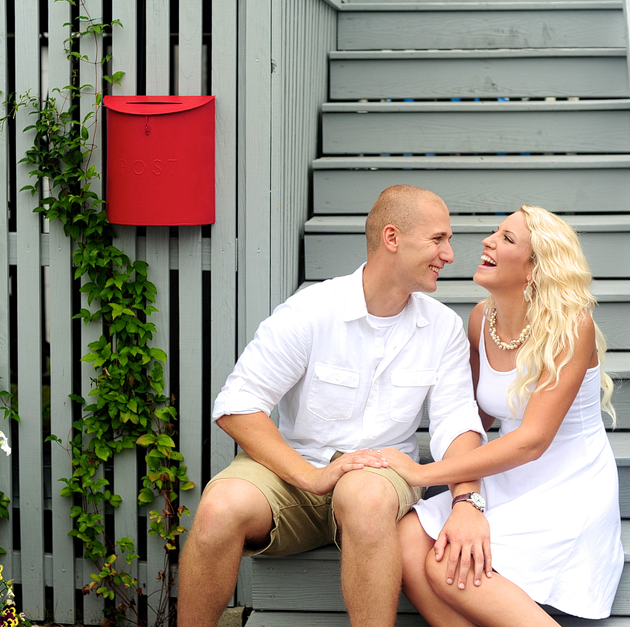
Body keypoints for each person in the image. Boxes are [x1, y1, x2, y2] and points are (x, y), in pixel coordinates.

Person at [177, 185, 491, 627]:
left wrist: (466, 501)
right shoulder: (311, 311)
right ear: (392, 238)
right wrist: (310, 475)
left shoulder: (442, 329)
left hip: (379, 479)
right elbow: (238, 405)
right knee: (218, 506)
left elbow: (457, 424)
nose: (450, 254)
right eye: (438, 239)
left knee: (364, 496)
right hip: (295, 474)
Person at [381, 205, 624, 626]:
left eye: (507, 239)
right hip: (506, 475)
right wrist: (464, 498)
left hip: (567, 485)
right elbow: (470, 419)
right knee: (405, 539)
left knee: (446, 564)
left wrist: (424, 474)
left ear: (534, 269)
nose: (488, 241)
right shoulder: (481, 319)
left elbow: (532, 441)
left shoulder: (571, 327)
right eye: (495, 232)